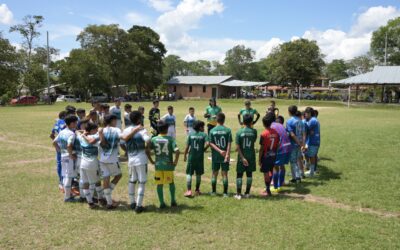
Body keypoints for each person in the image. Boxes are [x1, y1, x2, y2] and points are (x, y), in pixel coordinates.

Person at [122, 111, 151, 213]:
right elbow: (147, 140)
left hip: (131, 159)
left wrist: (127, 151)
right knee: (142, 182)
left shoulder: (126, 130)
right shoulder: (142, 129)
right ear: (139, 119)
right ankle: (138, 206)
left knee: (132, 180)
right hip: (141, 159)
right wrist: (148, 146)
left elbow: (121, 142)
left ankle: (132, 202)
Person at [147, 121, 180, 208]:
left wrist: (151, 161)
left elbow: (147, 150)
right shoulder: (171, 139)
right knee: (171, 183)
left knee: (159, 184)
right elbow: (177, 151)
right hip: (168, 165)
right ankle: (173, 201)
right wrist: (175, 162)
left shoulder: (153, 139)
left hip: (158, 165)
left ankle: (162, 203)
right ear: (167, 129)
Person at [77, 122, 105, 209]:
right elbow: (101, 142)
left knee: (85, 183)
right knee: (97, 182)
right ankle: (100, 199)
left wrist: (84, 133)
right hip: (92, 163)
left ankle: (90, 202)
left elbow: (77, 131)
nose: (97, 131)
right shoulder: (94, 138)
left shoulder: (81, 137)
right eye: (96, 129)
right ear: (92, 130)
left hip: (83, 163)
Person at [98, 114, 123, 209]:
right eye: (115, 120)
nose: (116, 122)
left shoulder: (102, 130)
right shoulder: (116, 130)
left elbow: (102, 143)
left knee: (106, 179)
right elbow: (123, 138)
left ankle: (108, 202)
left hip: (102, 159)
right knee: (118, 175)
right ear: (112, 121)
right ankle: (106, 197)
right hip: (112, 159)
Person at [52, 115, 78, 202]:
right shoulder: (71, 134)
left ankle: (68, 194)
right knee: (68, 176)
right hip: (69, 157)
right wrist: (70, 154)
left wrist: (59, 151)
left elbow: (54, 142)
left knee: (65, 175)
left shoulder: (62, 132)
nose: (76, 124)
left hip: (63, 156)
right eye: (75, 122)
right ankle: (67, 197)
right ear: (71, 123)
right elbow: (69, 145)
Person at [234, 114, 257, 200]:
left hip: (241, 156)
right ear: (251, 122)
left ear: (243, 121)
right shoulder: (254, 131)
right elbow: (253, 141)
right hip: (251, 155)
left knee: (239, 174)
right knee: (249, 174)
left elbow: (237, 147)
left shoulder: (239, 132)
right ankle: (247, 193)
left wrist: (242, 157)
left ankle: (238, 194)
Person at [183, 120, 209, 197]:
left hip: (191, 157)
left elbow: (187, 147)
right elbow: (208, 144)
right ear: (200, 127)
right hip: (199, 158)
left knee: (189, 173)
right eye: (203, 127)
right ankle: (197, 190)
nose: (204, 128)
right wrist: (204, 149)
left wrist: (184, 156)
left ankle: (189, 190)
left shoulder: (190, 135)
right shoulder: (204, 135)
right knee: (198, 174)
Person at [209, 113, 232, 197]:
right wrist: (227, 154)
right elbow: (229, 144)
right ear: (224, 120)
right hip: (225, 155)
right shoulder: (228, 130)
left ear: (216, 120)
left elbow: (210, 143)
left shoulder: (212, 131)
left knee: (214, 173)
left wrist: (219, 151)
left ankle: (213, 192)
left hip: (215, 155)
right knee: (224, 174)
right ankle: (225, 193)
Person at [259, 113, 280, 196]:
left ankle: (267, 189)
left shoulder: (263, 134)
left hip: (265, 156)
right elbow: (278, 144)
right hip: (273, 155)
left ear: (263, 124)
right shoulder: (276, 133)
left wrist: (259, 159)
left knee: (266, 173)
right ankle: (268, 188)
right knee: (271, 171)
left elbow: (261, 149)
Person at [271, 113, 292, 191]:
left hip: (281, 148)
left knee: (275, 167)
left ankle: (276, 187)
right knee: (282, 166)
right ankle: (281, 182)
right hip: (288, 147)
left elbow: (276, 140)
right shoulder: (281, 125)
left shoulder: (272, 126)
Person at [286, 105, 306, 184]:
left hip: (293, 144)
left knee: (293, 161)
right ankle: (297, 177)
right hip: (300, 143)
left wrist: (298, 143)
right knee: (298, 159)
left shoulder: (289, 121)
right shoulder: (301, 120)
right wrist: (303, 144)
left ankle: (296, 178)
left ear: (289, 112)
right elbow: (304, 133)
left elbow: (292, 134)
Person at [50, 111, 67, 190]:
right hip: (65, 146)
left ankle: (61, 181)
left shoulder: (57, 123)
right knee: (67, 163)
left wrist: (56, 142)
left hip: (58, 146)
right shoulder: (65, 123)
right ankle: (66, 182)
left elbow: (51, 135)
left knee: (59, 163)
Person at [304, 107, 320, 177]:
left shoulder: (313, 120)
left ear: (310, 113)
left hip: (313, 142)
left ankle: (312, 172)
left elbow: (306, 130)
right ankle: (311, 170)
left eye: (306, 114)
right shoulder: (312, 120)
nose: (305, 116)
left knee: (312, 156)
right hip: (312, 141)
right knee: (310, 156)